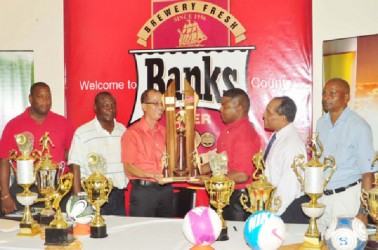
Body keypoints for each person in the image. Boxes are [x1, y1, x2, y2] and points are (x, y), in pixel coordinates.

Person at [0, 82, 74, 215]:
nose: (46, 101)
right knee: (25, 231)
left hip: (58, 189)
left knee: (58, 231)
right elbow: (4, 161)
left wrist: (75, 192)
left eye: (48, 97)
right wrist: (5, 195)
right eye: (41, 96)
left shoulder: (64, 123)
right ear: (30, 98)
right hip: (25, 188)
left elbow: (73, 157)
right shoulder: (14, 125)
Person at [316, 78, 377, 227]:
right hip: (322, 199)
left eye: (332, 93)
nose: (326, 97)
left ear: (346, 97)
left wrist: (363, 211)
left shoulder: (359, 127)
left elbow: (367, 172)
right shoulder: (321, 123)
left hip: (346, 199)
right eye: (324, 93)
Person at [201, 88, 260, 221]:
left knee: (233, 238)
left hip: (238, 199)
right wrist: (199, 169)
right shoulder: (229, 130)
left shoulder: (244, 134)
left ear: (238, 108)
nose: (220, 109)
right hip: (224, 193)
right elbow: (222, 161)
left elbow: (242, 175)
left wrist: (210, 180)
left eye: (225, 106)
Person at [68, 92, 128, 216]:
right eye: (105, 105)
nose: (110, 109)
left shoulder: (123, 131)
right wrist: (79, 200)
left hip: (118, 195)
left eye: (113, 105)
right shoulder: (83, 133)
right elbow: (75, 166)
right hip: (93, 196)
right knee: (95, 234)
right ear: (95, 108)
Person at [121, 89, 174, 218]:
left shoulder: (166, 132)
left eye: (162, 103)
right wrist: (151, 175)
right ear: (144, 106)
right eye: (155, 103)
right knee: (142, 233)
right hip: (144, 193)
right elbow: (128, 168)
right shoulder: (132, 133)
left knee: (166, 232)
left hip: (166, 190)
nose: (160, 107)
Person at [263, 96, 310, 223]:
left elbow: (290, 186)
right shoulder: (278, 136)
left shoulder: (291, 144)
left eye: (269, 112)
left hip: (287, 209)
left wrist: (274, 215)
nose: (264, 115)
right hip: (278, 205)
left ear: (283, 118)